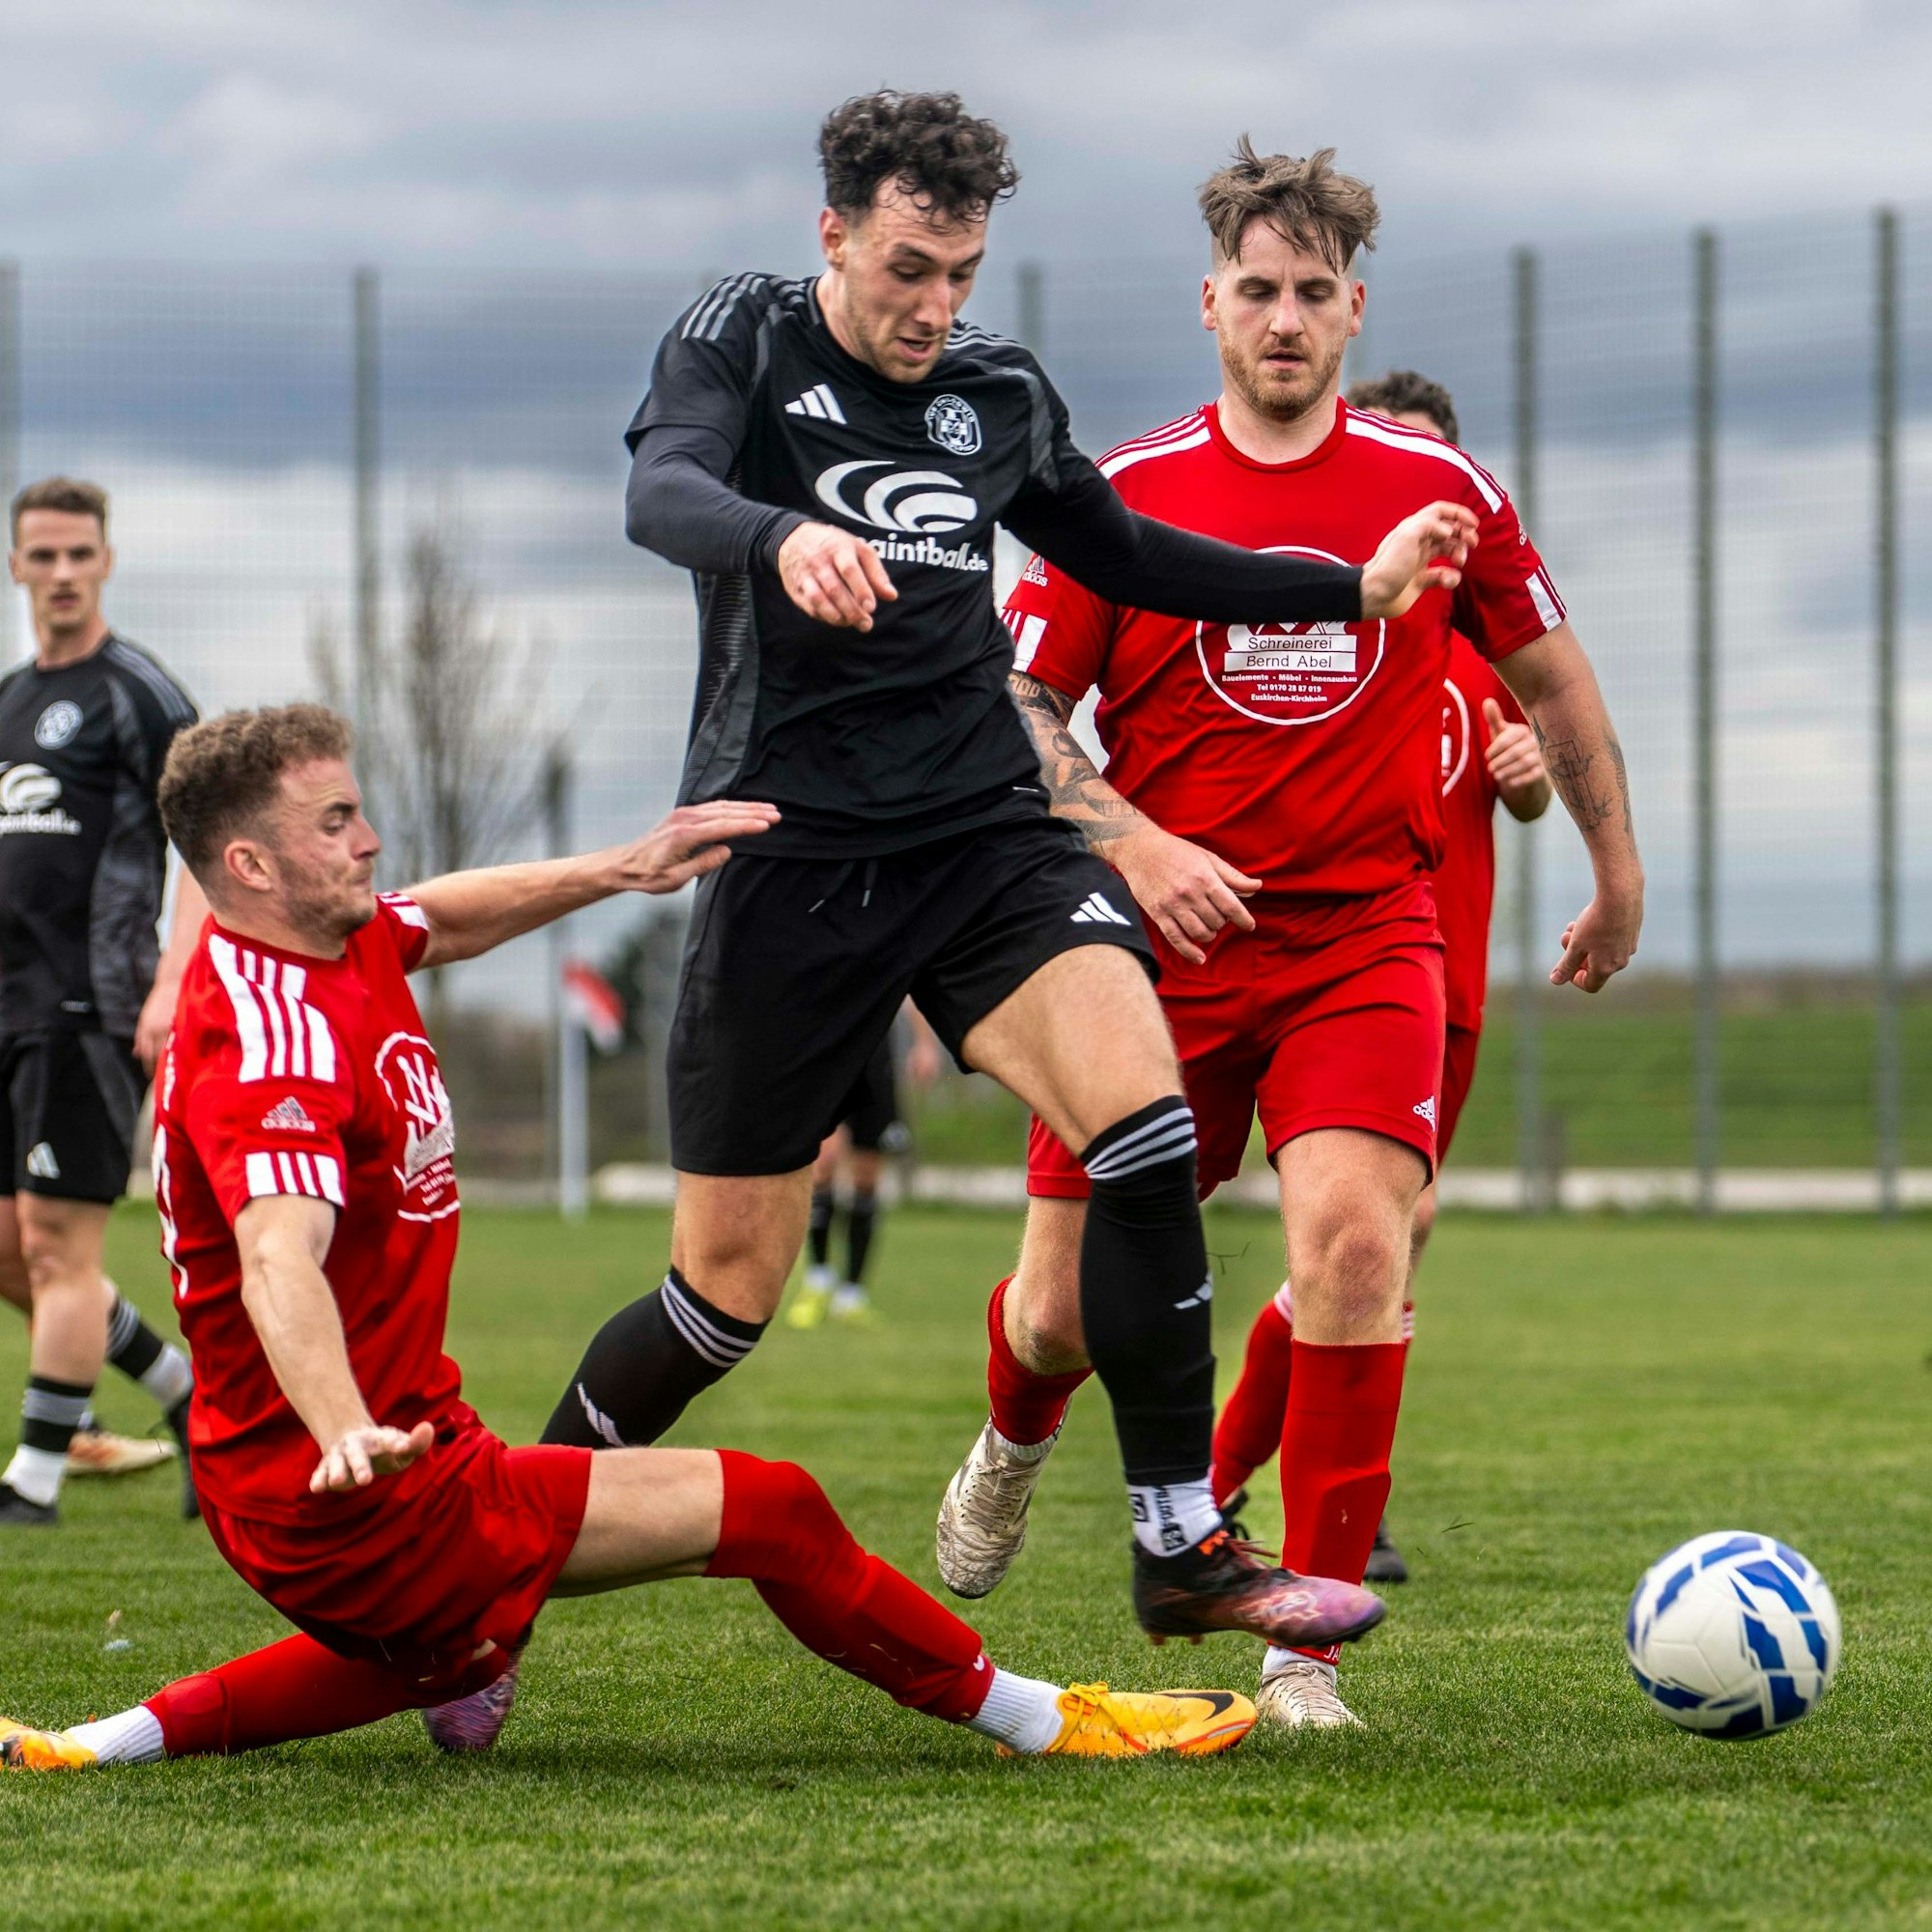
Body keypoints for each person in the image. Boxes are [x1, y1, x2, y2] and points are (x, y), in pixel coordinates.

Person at [538, 91, 1474, 1655]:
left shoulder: (993, 391)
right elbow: (660, 492)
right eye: (908, 268)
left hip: (983, 838)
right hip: (794, 855)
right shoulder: (740, 341)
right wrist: (772, 539)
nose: (933, 309)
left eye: (962, 273)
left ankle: (1182, 1542)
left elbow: (1128, 552)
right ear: (833, 231)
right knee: (725, 1293)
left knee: (1148, 1132)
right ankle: (500, 1554)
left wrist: (1347, 585)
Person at [0, 702, 1259, 1773]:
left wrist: (621, 868)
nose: (369, 837)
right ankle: (1054, 1723)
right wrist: (345, 1432)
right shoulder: (270, 1039)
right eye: (334, 823)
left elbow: (442, 916)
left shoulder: (331, 935)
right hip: (356, 1480)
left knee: (454, 1643)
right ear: (251, 865)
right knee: (775, 1507)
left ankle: (95, 1745)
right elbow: (278, 1256)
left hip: (315, 1473)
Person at [932, 144, 1642, 1730]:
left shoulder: (1438, 488)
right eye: (1257, 290)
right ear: (1210, 304)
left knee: (1353, 1245)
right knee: (1056, 1314)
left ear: (1351, 310)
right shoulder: (1123, 495)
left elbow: (1556, 678)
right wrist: (1139, 837)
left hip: (1362, 939)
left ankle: (1301, 1652)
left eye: (1314, 294)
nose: (1284, 319)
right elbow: (1021, 708)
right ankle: (1012, 1446)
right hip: (1151, 952)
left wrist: (1616, 870)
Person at [1209, 370, 1553, 1588]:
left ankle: (1255, 1479)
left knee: (1379, 1245)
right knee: (1369, 1240)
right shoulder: (1322, 628)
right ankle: (1249, 1482)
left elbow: (1525, 780)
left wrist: (1527, 777)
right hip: (1319, 965)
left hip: (1436, 982)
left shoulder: (1479, 651)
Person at [0, 478, 205, 1526]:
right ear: (17, 566)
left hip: (91, 1005)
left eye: (81, 553)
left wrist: (173, 976)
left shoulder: (140, 693)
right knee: (12, 1250)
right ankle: (186, 1398)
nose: (63, 573)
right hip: (8, 1008)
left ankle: (30, 1483)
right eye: (44, 555)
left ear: (107, 562)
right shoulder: (9, 701)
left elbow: (210, 845)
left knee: (56, 1244)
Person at [790, 1002, 942, 1328]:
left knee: (866, 1178)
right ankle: (818, 1279)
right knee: (824, 1161)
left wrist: (925, 1044)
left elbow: (910, 984)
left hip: (874, 1056)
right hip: (826, 1052)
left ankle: (852, 1294)